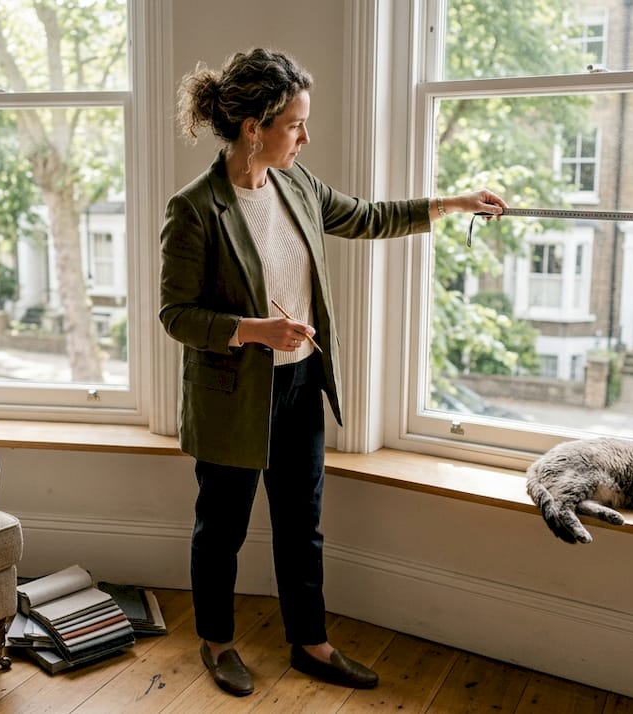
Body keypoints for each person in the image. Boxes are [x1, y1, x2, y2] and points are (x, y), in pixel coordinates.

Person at [158, 47, 506, 697]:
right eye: (295, 125)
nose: (305, 137)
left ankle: (310, 643)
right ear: (255, 128)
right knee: (223, 528)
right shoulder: (196, 209)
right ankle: (216, 642)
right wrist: (255, 331)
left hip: (298, 385)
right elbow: (177, 315)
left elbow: (369, 218)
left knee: (302, 523)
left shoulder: (299, 186)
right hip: (233, 396)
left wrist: (455, 203)